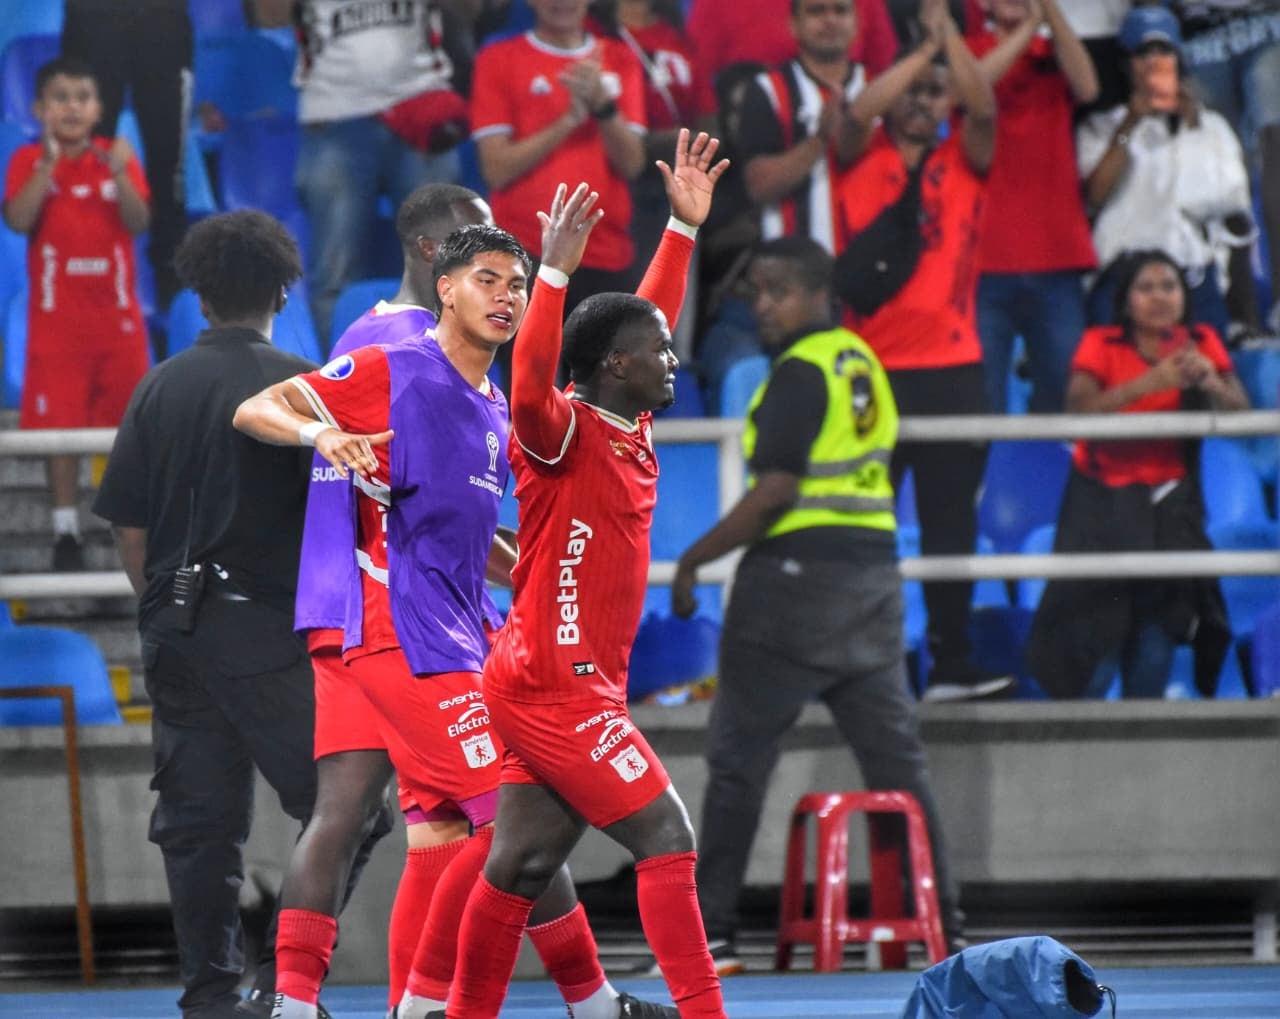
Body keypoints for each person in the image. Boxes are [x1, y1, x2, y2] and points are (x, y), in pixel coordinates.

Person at [232, 197, 680, 1019]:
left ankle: (322, 1003)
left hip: (422, 622)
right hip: (397, 626)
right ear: (443, 285)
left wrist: (529, 569)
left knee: (432, 831)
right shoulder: (395, 359)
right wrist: (319, 437)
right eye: (487, 279)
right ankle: (585, 1001)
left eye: (517, 283)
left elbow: (477, 539)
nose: (505, 295)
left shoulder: (493, 405)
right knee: (502, 816)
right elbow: (258, 409)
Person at [442, 130, 730, 1019]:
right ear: (613, 366)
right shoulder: (556, 430)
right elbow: (530, 378)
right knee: (667, 836)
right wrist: (554, 276)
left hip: (554, 680)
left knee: (521, 864)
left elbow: (645, 313)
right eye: (659, 349)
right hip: (556, 687)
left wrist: (682, 231)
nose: (672, 353)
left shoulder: (626, 419)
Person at [91, 210, 387, 1019]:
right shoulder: (299, 381)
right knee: (353, 809)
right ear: (287, 289)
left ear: (196, 294)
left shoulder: (157, 384)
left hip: (173, 627)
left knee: (198, 827)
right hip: (265, 630)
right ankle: (278, 988)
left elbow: (129, 525)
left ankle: (213, 997)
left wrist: (159, 608)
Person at [670, 235, 964, 974]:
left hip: (792, 589)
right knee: (899, 766)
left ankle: (712, 937)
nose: (762, 307)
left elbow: (776, 492)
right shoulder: (863, 362)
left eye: (775, 292)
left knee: (737, 763)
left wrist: (695, 559)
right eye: (757, 294)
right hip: (872, 584)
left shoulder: (799, 373)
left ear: (815, 293)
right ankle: (945, 928)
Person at [833, 0, 1012, 702]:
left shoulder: (962, 161)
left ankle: (952, 662)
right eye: (906, 92)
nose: (919, 102)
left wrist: (949, 47)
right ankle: (852, 664)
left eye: (932, 94)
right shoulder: (860, 154)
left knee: (950, 526)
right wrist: (921, 57)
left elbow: (986, 110)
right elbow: (853, 116)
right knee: (857, 522)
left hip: (954, 370)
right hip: (869, 368)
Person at [1028, 249, 1247, 700]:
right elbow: (1078, 412)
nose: (1159, 297)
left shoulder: (1201, 341)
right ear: (1126, 300)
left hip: (1169, 511)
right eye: (1145, 288)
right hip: (1101, 510)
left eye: (1169, 287)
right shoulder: (1100, 343)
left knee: (1155, 642)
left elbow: (1243, 415)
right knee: (1097, 648)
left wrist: (1211, 383)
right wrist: (1150, 383)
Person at [248, 0, 472, 346]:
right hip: (335, 115)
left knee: (445, 263)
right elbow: (267, 16)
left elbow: (475, 9)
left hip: (420, 105)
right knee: (335, 273)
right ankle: (340, 384)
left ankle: (444, 376)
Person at [3, 55, 150, 573]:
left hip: (118, 328)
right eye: (60, 98)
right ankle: (65, 530)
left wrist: (122, 176)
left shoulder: (118, 157)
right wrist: (48, 166)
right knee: (58, 432)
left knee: (131, 434)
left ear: (98, 109)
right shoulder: (27, 161)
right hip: (56, 330)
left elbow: (139, 221)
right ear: (41, 108)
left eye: (82, 97)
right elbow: (19, 220)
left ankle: (132, 531)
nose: (72, 107)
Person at [1076, 4, 1257, 341]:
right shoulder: (1104, 127)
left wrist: (1194, 132)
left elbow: (1231, 205)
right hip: (1122, 272)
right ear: (1126, 63)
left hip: (1190, 272)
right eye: (1144, 53)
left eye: (1165, 51)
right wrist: (1131, 123)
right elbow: (1095, 195)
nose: (1154, 62)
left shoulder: (1208, 126)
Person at [470, 0, 649, 316]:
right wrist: (569, 120)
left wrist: (602, 107)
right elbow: (496, 169)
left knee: (608, 365)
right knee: (528, 367)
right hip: (523, 254)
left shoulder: (620, 58)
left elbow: (632, 164)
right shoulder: (497, 59)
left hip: (606, 253)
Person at [966, 0, 1100, 414]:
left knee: (1064, 401)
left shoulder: (1055, 55)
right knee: (980, 403)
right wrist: (1028, 31)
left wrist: (1049, 14)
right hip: (983, 258)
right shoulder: (967, 48)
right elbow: (972, 90)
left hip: (1056, 258)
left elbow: (1088, 87)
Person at [61, 0, 192, 318]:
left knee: (168, 156)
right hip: (94, 16)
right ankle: (81, 266)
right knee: (85, 151)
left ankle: (170, 279)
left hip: (162, 17)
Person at [1166, 0, 1280, 335]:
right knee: (1219, 173)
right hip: (1199, 41)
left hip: (1269, 25)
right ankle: (1240, 315)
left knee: (1274, 144)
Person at [734, 0, 869, 253]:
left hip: (873, 262)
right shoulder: (767, 90)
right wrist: (819, 139)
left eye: (840, 10)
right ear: (794, 25)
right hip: (793, 267)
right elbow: (759, 187)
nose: (830, 20)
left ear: (857, 23)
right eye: (817, 11)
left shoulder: (876, 87)